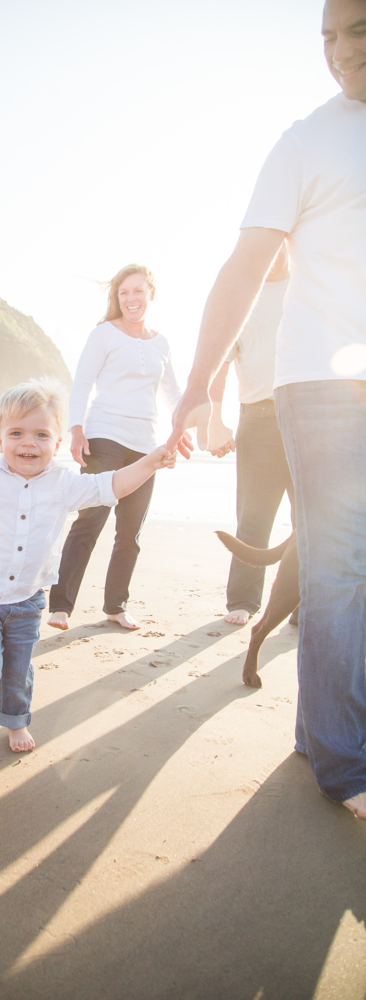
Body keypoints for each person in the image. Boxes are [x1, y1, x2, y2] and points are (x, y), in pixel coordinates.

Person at [168, 0, 366, 819]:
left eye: (355, 30)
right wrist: (197, 385)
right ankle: (343, 762)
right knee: (337, 569)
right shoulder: (304, 142)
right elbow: (243, 267)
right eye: (326, 35)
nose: (338, 50)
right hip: (317, 385)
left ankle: (322, 732)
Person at [0, 378, 177, 769]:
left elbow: (112, 485)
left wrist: (150, 462)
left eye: (41, 434)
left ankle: (16, 723)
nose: (29, 443)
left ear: (57, 444)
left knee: (18, 670)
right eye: (16, 433)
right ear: (0, 440)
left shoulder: (64, 484)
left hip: (27, 599)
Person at [47, 264, 184, 633]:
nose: (131, 298)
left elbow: (173, 393)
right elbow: (82, 384)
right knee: (90, 521)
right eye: (124, 292)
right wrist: (77, 430)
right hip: (104, 436)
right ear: (117, 297)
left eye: (137, 291)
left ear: (151, 293)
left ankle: (115, 606)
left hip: (145, 445)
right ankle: (61, 606)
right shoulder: (104, 334)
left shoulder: (162, 343)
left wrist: (183, 428)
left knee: (130, 533)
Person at [209, 245, 295, 627]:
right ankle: (243, 601)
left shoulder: (306, 287)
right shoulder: (243, 298)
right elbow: (219, 366)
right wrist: (215, 421)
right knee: (254, 518)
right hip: (258, 419)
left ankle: (304, 603)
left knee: (310, 519)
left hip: (305, 417)